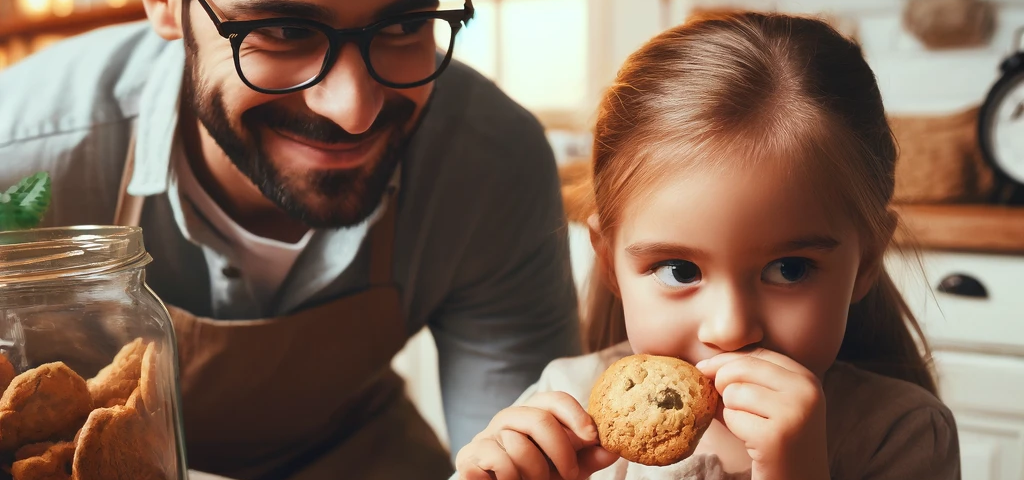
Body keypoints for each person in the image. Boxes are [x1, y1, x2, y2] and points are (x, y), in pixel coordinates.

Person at [0, 0, 582, 478]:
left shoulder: (493, 164)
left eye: (405, 24)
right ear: (165, 7)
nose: (353, 111)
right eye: (282, 30)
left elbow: (518, 448)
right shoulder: (19, 153)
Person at [453, 11, 961, 480]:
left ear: (866, 261)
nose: (731, 328)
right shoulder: (562, 404)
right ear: (608, 261)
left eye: (789, 269)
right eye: (678, 270)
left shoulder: (903, 436)